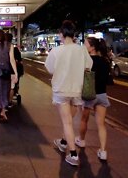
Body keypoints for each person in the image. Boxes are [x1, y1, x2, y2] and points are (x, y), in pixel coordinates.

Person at [44, 20, 93, 166]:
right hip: (76, 89)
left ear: (62, 33)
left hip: (61, 89)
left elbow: (50, 68)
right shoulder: (81, 50)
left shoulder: (56, 51)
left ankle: (73, 154)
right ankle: (64, 141)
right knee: (69, 121)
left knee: (67, 122)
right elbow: (89, 66)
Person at [75, 36, 111, 161]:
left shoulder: (87, 61)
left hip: (89, 95)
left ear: (92, 47)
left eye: (85, 44)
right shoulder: (105, 61)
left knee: (84, 120)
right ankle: (103, 150)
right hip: (102, 95)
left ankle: (81, 140)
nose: (83, 46)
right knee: (101, 124)